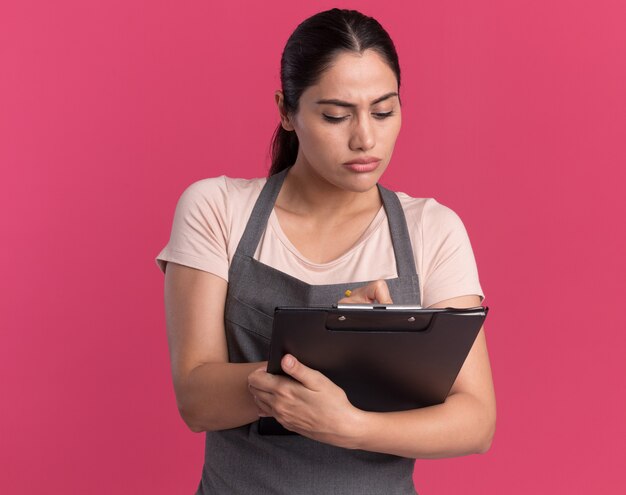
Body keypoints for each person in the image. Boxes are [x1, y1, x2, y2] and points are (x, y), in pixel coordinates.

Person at [156, 8, 495, 494]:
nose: (366, 138)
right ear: (285, 111)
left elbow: (476, 420)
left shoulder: (432, 230)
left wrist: (350, 424)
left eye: (384, 111)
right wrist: (328, 351)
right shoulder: (216, 209)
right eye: (335, 115)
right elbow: (196, 398)